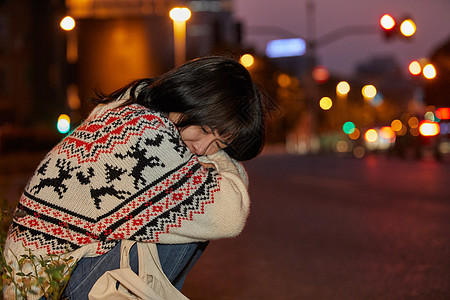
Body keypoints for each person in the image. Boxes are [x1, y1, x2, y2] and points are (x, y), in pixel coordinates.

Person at [3, 55, 268, 299]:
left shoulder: (129, 111)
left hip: (39, 281)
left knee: (182, 208)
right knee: (198, 210)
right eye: (204, 129)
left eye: (219, 144)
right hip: (50, 286)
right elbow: (228, 215)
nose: (202, 148)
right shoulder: (145, 133)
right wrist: (223, 161)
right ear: (191, 97)